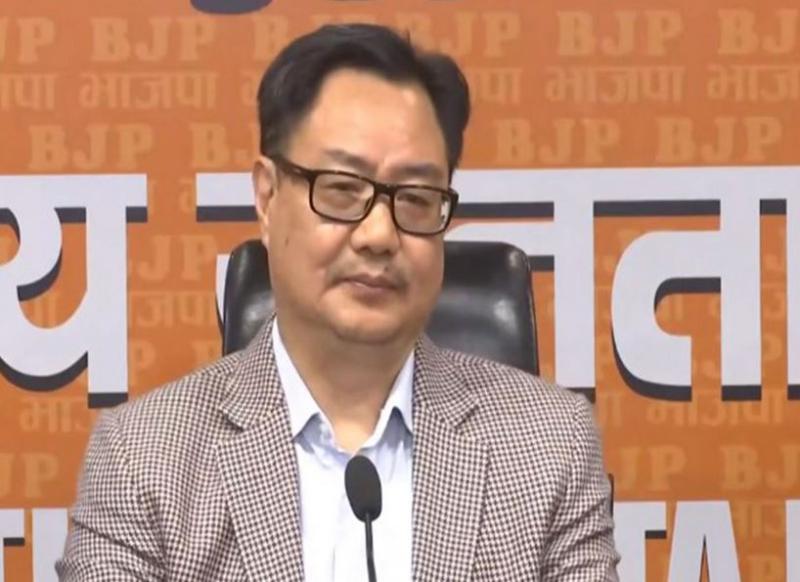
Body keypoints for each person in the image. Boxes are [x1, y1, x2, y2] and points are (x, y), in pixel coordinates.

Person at [57, 23, 619, 581]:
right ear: (268, 198)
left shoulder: (549, 446)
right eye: (342, 190)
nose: (379, 235)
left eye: (416, 198)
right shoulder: (143, 459)